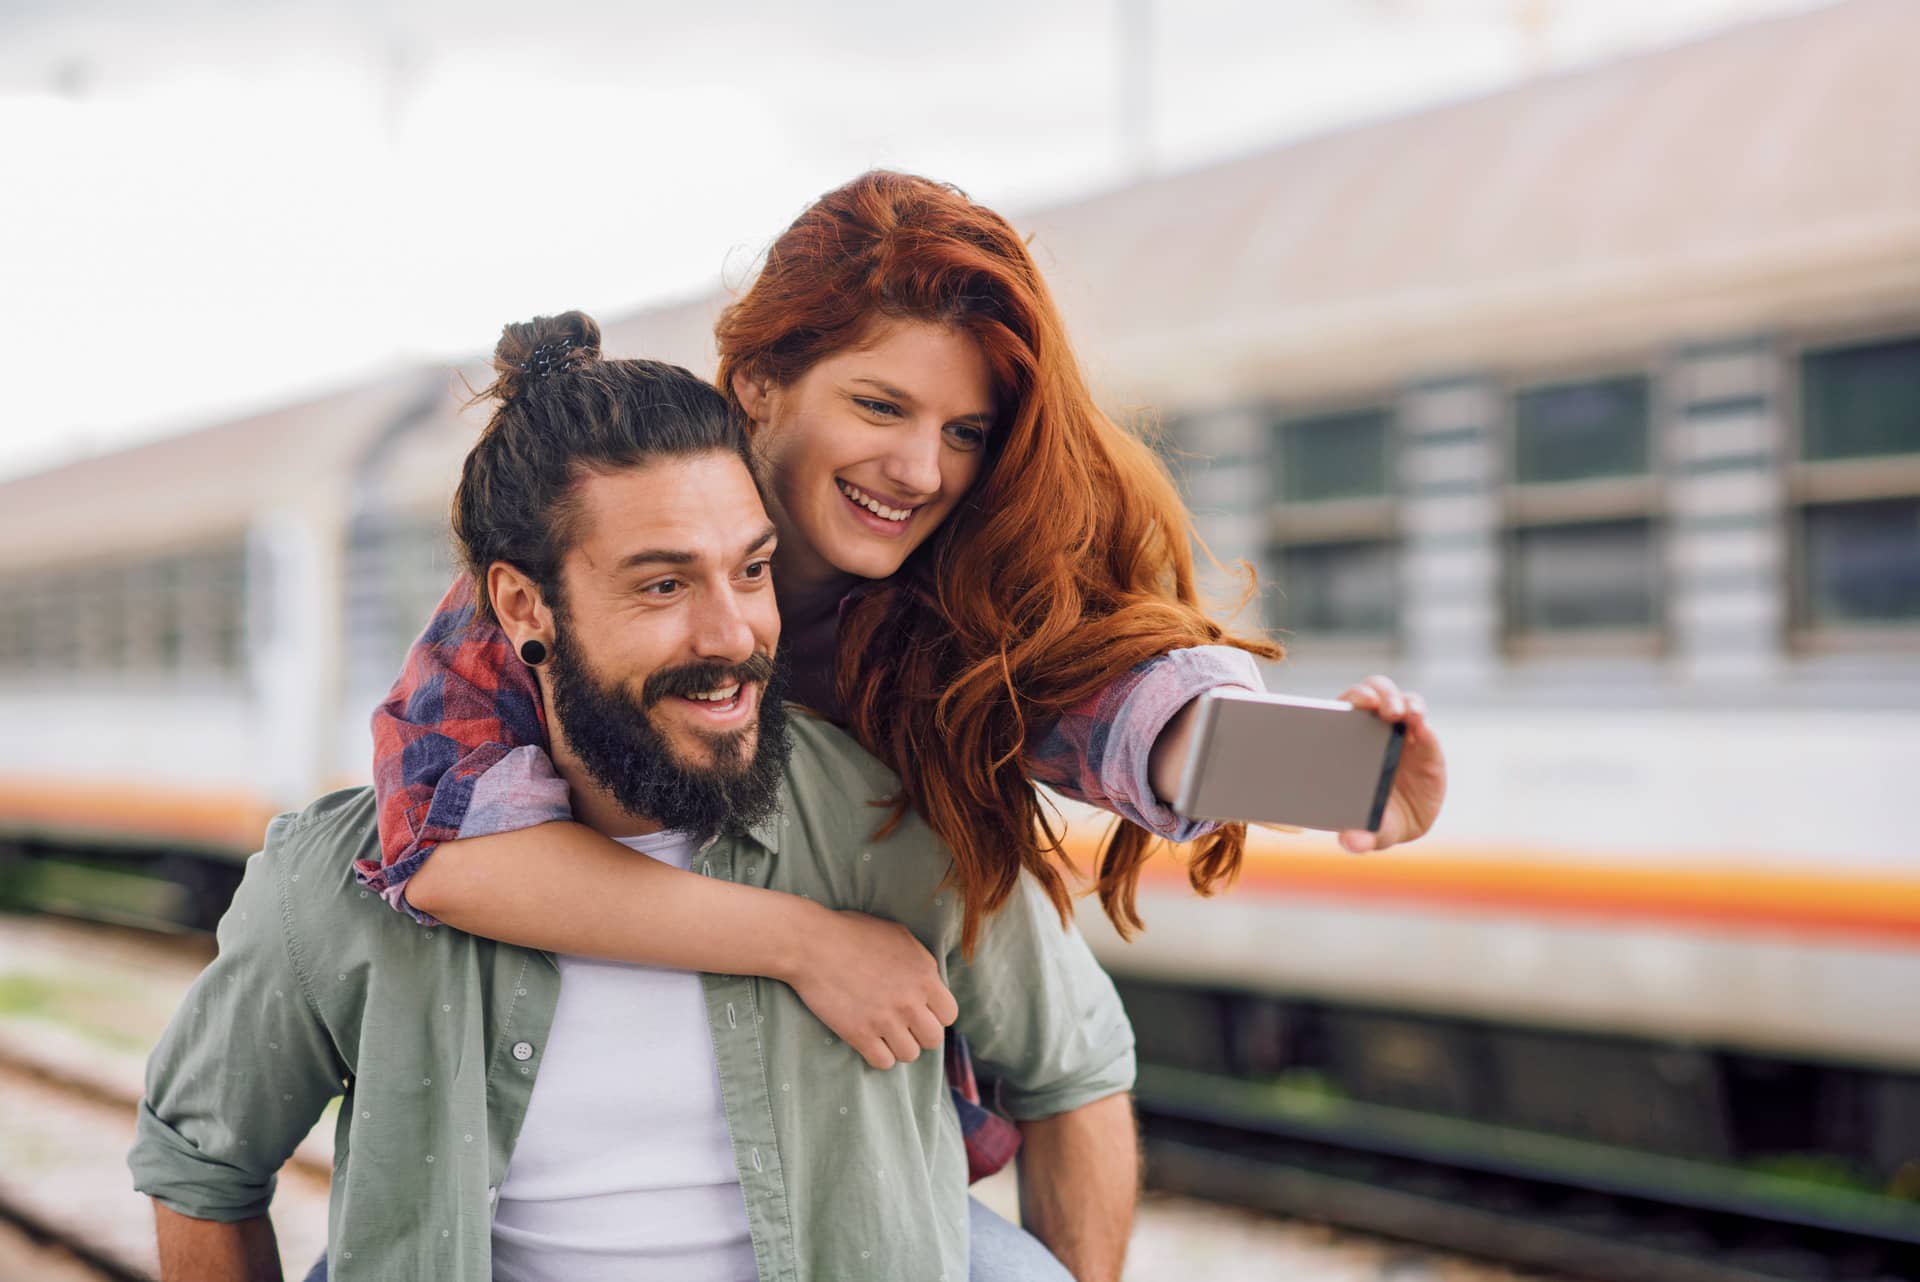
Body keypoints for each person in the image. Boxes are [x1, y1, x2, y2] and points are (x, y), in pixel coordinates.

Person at [360, 173, 1448, 1270]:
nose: (920, 470)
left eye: (964, 430)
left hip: (872, 1138)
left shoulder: (957, 601)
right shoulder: (605, 534)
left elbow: (1117, 704)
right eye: (879, 407)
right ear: (759, 385)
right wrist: (810, 945)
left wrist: (1323, 772)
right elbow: (452, 849)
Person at [130, 325, 1137, 1282]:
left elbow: (1076, 1073)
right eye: (663, 586)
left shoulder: (900, 829)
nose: (731, 633)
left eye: (752, 571)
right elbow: (200, 1163)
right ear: (525, 607)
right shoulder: (337, 887)